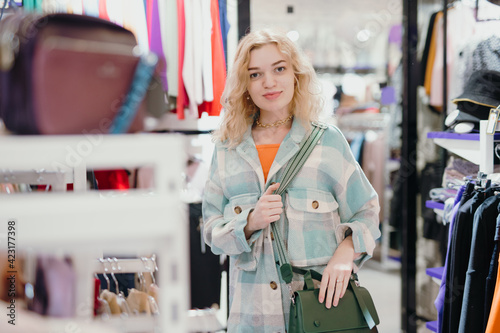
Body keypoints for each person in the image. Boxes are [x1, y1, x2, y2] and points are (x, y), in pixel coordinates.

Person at [202, 28, 381, 332]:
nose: (269, 82)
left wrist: (346, 252)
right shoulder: (228, 148)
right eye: (255, 74)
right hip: (252, 316)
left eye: (279, 69)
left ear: (296, 75)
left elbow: (367, 211)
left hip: (321, 310)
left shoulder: (327, 142)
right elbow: (210, 230)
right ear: (245, 84)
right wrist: (248, 223)